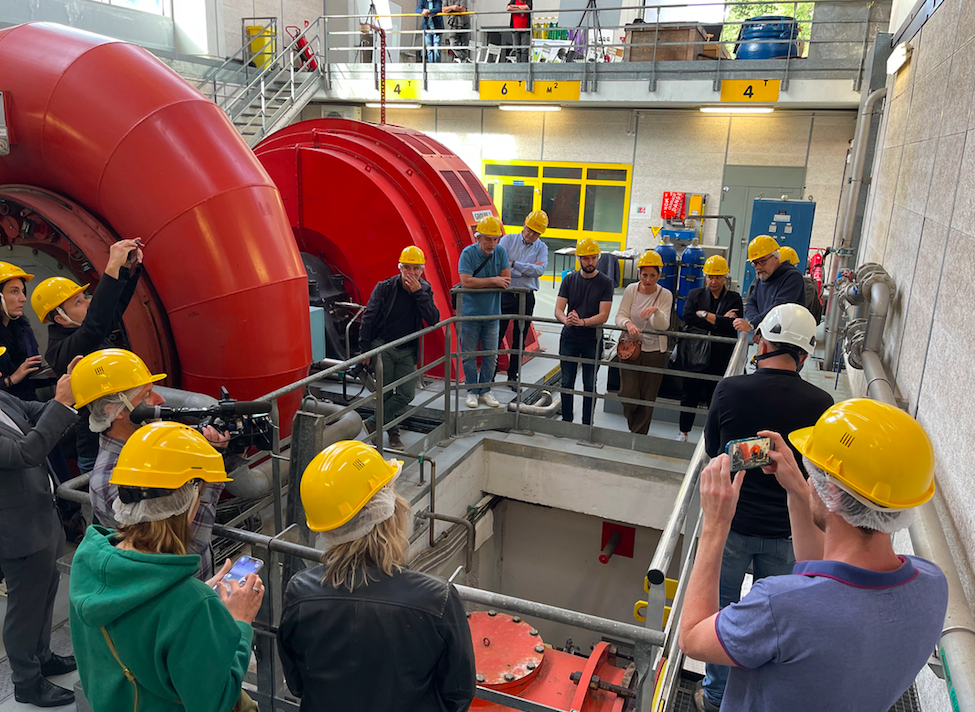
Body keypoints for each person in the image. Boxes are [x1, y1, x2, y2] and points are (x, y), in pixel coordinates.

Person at [680, 399, 948, 712]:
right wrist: (797, 491)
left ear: (831, 492)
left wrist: (714, 526)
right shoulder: (932, 583)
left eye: (813, 475)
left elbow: (692, 637)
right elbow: (824, 580)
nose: (809, 480)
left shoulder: (779, 605)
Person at [69, 421, 263, 712]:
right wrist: (240, 622)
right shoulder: (191, 604)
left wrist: (196, 600)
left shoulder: (87, 564)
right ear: (190, 502)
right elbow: (216, 702)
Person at [697, 303, 834, 711]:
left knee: (722, 616)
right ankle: (756, 695)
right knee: (776, 622)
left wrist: (748, 453)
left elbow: (711, 448)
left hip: (732, 526)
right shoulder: (822, 402)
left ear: (762, 341)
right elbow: (818, 471)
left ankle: (717, 695)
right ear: (805, 355)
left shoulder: (732, 390)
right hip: (788, 532)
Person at [278, 440, 476, 711]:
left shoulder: (300, 593)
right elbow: (458, 693)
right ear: (388, 513)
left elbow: (297, 684)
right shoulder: (436, 600)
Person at [72, 348, 231, 580]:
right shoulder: (112, 481)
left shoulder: (151, 447)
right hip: (177, 600)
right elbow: (189, 543)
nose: (160, 400)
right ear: (114, 411)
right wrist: (210, 472)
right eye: (146, 395)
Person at [0, 351, 80, 707]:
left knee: (45, 592)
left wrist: (72, 391)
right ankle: (27, 683)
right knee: (24, 608)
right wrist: (62, 403)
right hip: (16, 528)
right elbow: (26, 452)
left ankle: (42, 656)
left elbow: (33, 411)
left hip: (40, 512)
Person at [32, 238, 144, 473]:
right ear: (61, 318)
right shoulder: (61, 351)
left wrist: (125, 269)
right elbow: (95, 325)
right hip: (97, 455)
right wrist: (111, 268)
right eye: (78, 302)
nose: (88, 303)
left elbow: (110, 310)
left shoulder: (81, 334)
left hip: (118, 441)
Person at [358, 246, 440, 450]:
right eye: (407, 268)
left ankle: (373, 424)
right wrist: (365, 350)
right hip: (384, 345)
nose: (411, 274)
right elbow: (368, 317)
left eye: (416, 269)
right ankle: (392, 433)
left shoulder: (424, 289)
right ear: (400, 268)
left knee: (406, 393)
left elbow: (433, 319)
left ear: (421, 271)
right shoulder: (385, 288)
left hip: (407, 350)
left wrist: (418, 293)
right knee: (384, 393)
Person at [676, 255, 743, 442]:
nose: (713, 281)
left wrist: (705, 315)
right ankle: (683, 431)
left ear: (725, 277)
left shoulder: (734, 298)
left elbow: (733, 324)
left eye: (718, 277)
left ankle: (711, 437)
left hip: (720, 357)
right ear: (705, 277)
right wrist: (720, 320)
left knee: (716, 399)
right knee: (690, 394)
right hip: (696, 355)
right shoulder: (695, 295)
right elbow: (688, 317)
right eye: (710, 277)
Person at [555, 238, 614, 426]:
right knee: (566, 382)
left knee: (590, 384)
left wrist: (583, 322)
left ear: (598, 258)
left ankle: (587, 424)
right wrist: (568, 320)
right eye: (586, 258)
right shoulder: (570, 279)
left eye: (593, 258)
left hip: (592, 338)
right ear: (579, 258)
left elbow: (604, 315)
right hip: (570, 336)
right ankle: (566, 421)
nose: (590, 262)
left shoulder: (605, 282)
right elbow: (558, 310)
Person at [613, 250, 673, 435]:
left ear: (659, 275)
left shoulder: (665, 295)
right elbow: (620, 315)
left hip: (654, 351)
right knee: (628, 394)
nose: (648, 279)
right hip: (630, 348)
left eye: (652, 275)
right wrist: (628, 324)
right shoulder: (631, 289)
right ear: (639, 273)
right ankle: (634, 426)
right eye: (644, 274)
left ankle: (638, 435)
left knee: (648, 397)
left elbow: (663, 326)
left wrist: (655, 312)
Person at [459, 215, 510, 409]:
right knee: (469, 355)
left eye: (495, 239)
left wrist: (491, 281)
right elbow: (466, 281)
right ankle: (472, 390)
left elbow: (506, 280)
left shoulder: (501, 252)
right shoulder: (468, 254)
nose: (492, 243)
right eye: (488, 238)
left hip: (492, 315)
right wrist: (493, 281)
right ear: (478, 237)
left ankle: (486, 390)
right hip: (470, 314)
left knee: (491, 355)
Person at [498, 210, 549, 389]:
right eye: (529, 230)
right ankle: (489, 374)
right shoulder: (507, 240)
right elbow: (500, 265)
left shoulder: (541, 248)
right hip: (505, 294)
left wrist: (514, 265)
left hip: (526, 297)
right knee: (496, 333)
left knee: (519, 338)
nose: (530, 234)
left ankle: (513, 376)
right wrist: (526, 269)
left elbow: (540, 270)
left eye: (535, 233)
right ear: (524, 225)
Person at [734, 235, 805, 336]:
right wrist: (758, 325)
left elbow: (779, 308)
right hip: (769, 336)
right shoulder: (762, 277)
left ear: (776, 258)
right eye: (755, 263)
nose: (758, 267)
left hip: (788, 340)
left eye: (762, 261)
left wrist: (753, 324)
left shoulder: (792, 277)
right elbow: (751, 302)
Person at [0, 263, 43, 402]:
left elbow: (34, 372)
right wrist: (10, 380)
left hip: (28, 402)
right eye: (14, 291)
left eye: (22, 291)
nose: (23, 298)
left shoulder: (23, 329)